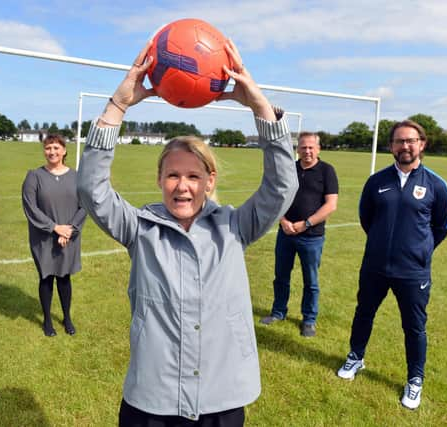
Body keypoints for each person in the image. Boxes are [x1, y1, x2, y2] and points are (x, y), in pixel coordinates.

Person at [77, 40, 298, 426]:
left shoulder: (234, 226)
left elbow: (281, 187)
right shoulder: (140, 228)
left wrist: (261, 107)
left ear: (209, 182)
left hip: (222, 395)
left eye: (194, 176)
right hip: (153, 397)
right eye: (174, 175)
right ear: (160, 180)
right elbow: (91, 190)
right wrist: (118, 105)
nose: (183, 186)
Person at [336, 120, 447, 410]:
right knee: (364, 314)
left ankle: (415, 379)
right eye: (399, 141)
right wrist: (381, 245)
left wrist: (419, 250)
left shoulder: (436, 185)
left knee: (414, 327)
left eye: (411, 140)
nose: (405, 146)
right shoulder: (376, 182)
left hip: (413, 272)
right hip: (374, 267)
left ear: (422, 144)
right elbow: (367, 219)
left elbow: (442, 225)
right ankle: (356, 356)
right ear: (391, 147)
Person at [260, 132, 338, 337]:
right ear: (298, 149)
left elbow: (331, 205)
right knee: (281, 277)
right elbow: (277, 198)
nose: (307, 151)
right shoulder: (289, 169)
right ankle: (278, 312)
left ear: (318, 149)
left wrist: (306, 224)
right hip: (286, 233)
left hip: (311, 236)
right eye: (303, 147)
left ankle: (309, 319)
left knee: (310, 281)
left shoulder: (327, 171)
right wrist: (284, 221)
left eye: (311, 147)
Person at [22, 134, 87, 337]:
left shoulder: (77, 177)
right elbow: (30, 207)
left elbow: (84, 205)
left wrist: (70, 229)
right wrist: (54, 228)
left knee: (65, 277)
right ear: (44, 151)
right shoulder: (34, 176)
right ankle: (48, 320)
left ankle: (67, 318)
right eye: (48, 148)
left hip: (69, 236)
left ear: (64, 151)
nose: (52, 152)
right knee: (47, 277)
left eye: (56, 148)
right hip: (43, 237)